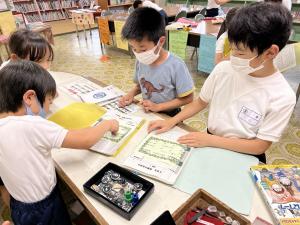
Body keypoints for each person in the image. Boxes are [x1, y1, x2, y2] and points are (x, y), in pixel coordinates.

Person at [148, 2, 296, 163]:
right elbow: (200, 102)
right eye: (231, 49)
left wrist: (210, 141)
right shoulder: (224, 69)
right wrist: (172, 121)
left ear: (270, 52)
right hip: (210, 140)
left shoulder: (282, 95)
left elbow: (259, 146)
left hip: (245, 154)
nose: (232, 57)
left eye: (240, 52)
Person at [0, 61, 119, 225]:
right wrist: (107, 124)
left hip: (18, 206)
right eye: (48, 101)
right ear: (29, 97)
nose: (48, 108)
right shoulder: (31, 125)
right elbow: (84, 140)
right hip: (45, 208)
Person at [0, 29, 55, 209]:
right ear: (16, 58)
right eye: (39, 61)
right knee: (8, 181)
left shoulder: (23, 72)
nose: (45, 67)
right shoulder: (8, 78)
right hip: (7, 148)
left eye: (47, 60)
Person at [119, 7, 194, 117]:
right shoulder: (140, 60)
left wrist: (159, 107)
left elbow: (189, 98)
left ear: (161, 41)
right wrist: (130, 94)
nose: (138, 53)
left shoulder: (176, 65)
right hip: (148, 112)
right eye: (133, 48)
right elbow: (140, 86)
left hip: (170, 115)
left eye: (143, 49)